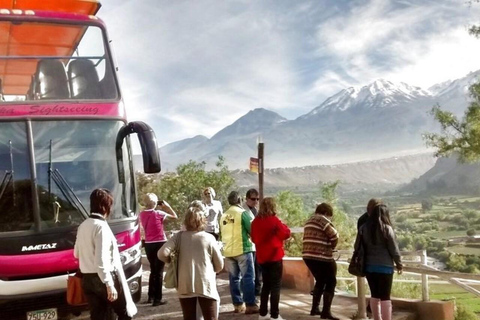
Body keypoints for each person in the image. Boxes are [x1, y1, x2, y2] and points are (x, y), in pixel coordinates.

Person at [74, 188, 137, 320]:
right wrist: (109, 284)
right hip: (103, 278)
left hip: (87, 280)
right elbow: (101, 260)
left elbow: (76, 254)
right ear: (106, 206)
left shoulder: (83, 225)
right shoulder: (101, 227)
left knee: (98, 316)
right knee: (125, 313)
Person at [158, 207, 224, 320]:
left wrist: (172, 262)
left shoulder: (178, 237)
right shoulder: (209, 238)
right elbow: (219, 266)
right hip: (205, 284)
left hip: (184, 284)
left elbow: (161, 253)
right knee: (211, 317)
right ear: (202, 220)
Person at [355, 204, 403, 320]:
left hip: (369, 266)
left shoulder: (363, 228)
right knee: (385, 296)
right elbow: (394, 249)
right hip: (385, 267)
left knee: (374, 295)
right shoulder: (387, 229)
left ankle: (377, 318)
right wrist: (399, 264)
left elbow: (357, 246)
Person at [251, 197, 291, 320]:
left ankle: (262, 314)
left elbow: (253, 238)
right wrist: (282, 224)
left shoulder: (255, 222)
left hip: (262, 258)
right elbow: (286, 234)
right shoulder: (274, 221)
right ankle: (275, 315)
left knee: (266, 286)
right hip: (275, 257)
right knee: (275, 287)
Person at [220, 191, 259, 314]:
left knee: (234, 279)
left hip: (228, 251)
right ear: (240, 201)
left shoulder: (224, 215)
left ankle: (237, 305)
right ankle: (250, 304)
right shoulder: (243, 213)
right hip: (243, 249)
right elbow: (252, 231)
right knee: (248, 278)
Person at [139, 193, 178, 306]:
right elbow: (175, 216)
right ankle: (158, 299)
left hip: (148, 244)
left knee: (153, 270)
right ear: (155, 203)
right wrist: (167, 207)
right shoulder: (159, 213)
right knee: (159, 271)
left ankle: (151, 296)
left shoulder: (141, 214)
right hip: (160, 243)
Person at [302, 203, 339, 320]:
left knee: (321, 280)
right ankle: (326, 312)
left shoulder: (309, 221)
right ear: (326, 213)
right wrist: (332, 247)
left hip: (307, 256)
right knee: (331, 281)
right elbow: (334, 235)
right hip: (322, 256)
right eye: (330, 216)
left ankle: (315, 308)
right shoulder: (323, 220)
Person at [243, 188, 262, 296]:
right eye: (253, 199)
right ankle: (250, 290)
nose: (255, 201)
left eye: (257, 199)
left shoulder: (256, 210)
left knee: (257, 267)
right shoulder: (243, 211)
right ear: (247, 199)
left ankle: (257, 288)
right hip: (248, 243)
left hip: (257, 243)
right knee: (250, 269)